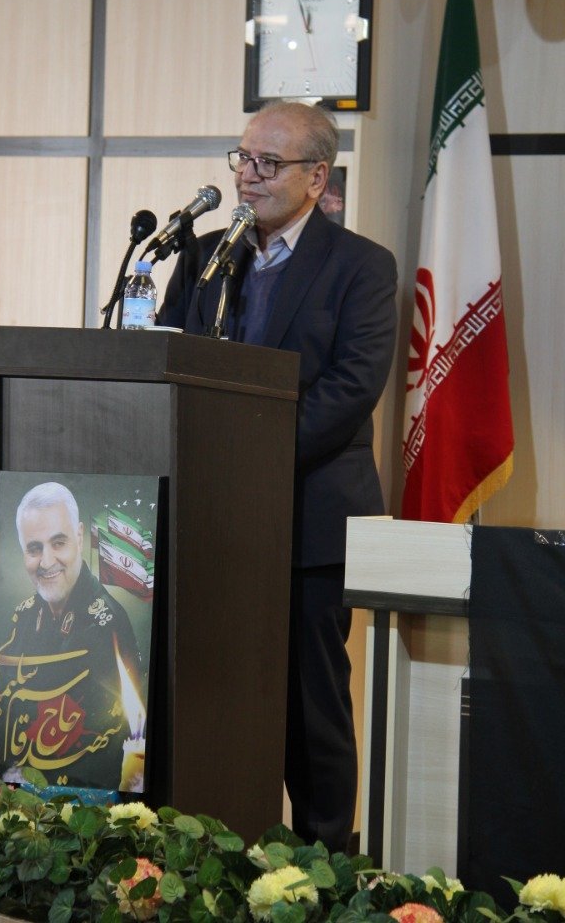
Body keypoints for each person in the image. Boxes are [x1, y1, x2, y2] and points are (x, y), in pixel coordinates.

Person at [158, 100, 397, 851]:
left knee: (310, 706)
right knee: (211, 697)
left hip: (309, 520)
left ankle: (325, 865)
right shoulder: (206, 255)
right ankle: (217, 851)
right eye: (243, 159)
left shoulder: (361, 265)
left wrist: (247, 460)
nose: (248, 176)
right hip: (210, 521)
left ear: (317, 177)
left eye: (268, 163)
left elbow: (352, 388)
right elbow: (168, 357)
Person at [0, 481, 142, 792]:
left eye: (58, 543)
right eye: (34, 548)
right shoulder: (21, 617)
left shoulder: (108, 624)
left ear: (80, 537)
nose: (46, 562)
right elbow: (0, 715)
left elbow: (112, 739)